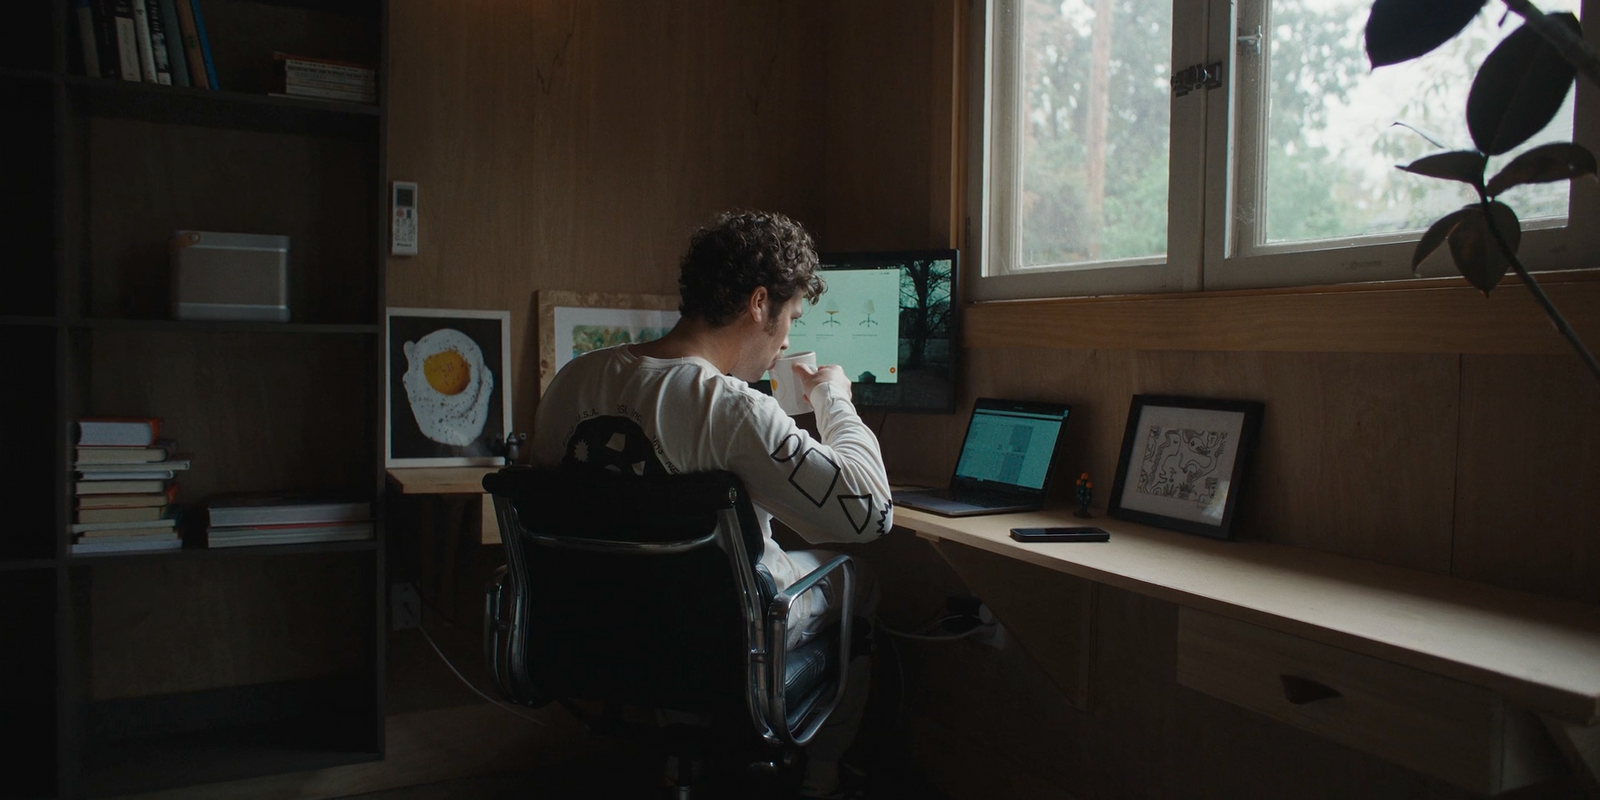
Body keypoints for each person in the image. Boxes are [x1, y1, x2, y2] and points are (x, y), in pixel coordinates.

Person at [531, 209, 890, 798]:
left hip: (605, 625)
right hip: (721, 634)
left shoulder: (571, 381)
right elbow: (869, 513)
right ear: (758, 304)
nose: (785, 341)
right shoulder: (733, 408)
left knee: (686, 591)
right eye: (789, 319)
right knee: (860, 580)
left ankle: (682, 759)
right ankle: (823, 775)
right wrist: (834, 400)